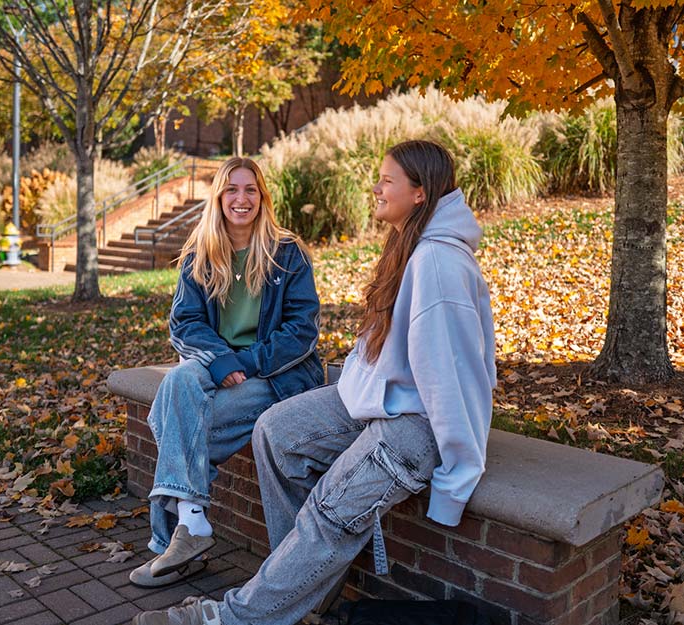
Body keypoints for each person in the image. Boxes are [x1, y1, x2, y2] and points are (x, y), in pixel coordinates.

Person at [132, 139, 497, 625]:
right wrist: (220, 360)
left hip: (411, 423)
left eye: (386, 180)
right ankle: (292, 591)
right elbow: (188, 323)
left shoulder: (435, 262)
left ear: (419, 192)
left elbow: (456, 382)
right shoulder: (409, 244)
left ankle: (235, 616)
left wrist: (455, 482)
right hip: (374, 400)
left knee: (329, 512)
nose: (375, 188)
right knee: (270, 430)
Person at [128, 156, 324, 588]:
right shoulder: (200, 254)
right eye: (232, 190)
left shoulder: (287, 254)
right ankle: (192, 523)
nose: (241, 198)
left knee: (172, 420)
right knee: (179, 382)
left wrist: (246, 362)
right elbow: (185, 323)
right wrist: (219, 358)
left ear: (262, 197)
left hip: (276, 376)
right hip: (219, 370)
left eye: (250, 189)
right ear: (218, 197)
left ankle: (175, 540)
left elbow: (301, 331)